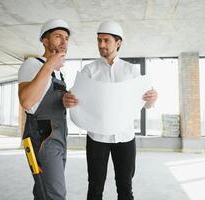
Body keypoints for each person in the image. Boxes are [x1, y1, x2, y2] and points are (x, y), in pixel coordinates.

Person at [63, 20, 157, 200]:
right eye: (99, 40)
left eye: (106, 40)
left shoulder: (132, 71)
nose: (101, 45)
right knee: (95, 187)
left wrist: (151, 100)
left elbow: (146, 104)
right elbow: (75, 100)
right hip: (97, 138)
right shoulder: (89, 71)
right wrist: (68, 100)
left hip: (125, 137)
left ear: (118, 43)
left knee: (125, 187)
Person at [18, 19, 75, 200]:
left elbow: (48, 99)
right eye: (58, 37)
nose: (64, 42)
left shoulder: (59, 72)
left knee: (43, 190)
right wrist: (49, 64)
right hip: (42, 137)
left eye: (66, 38)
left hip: (60, 136)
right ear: (44, 40)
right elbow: (26, 102)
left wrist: (66, 100)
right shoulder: (32, 64)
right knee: (55, 193)